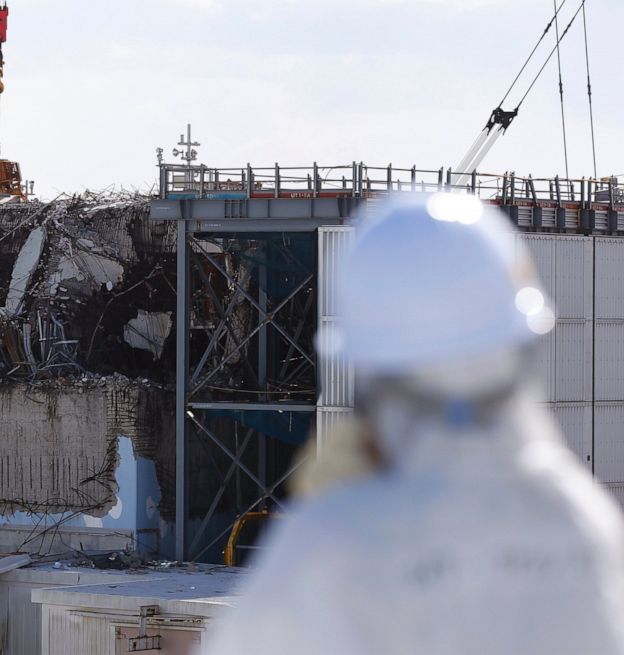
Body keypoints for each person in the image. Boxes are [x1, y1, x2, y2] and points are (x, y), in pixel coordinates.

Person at [203, 193, 624, 654]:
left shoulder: (330, 549)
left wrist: (325, 515)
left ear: (366, 369)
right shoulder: (583, 524)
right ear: (523, 347)